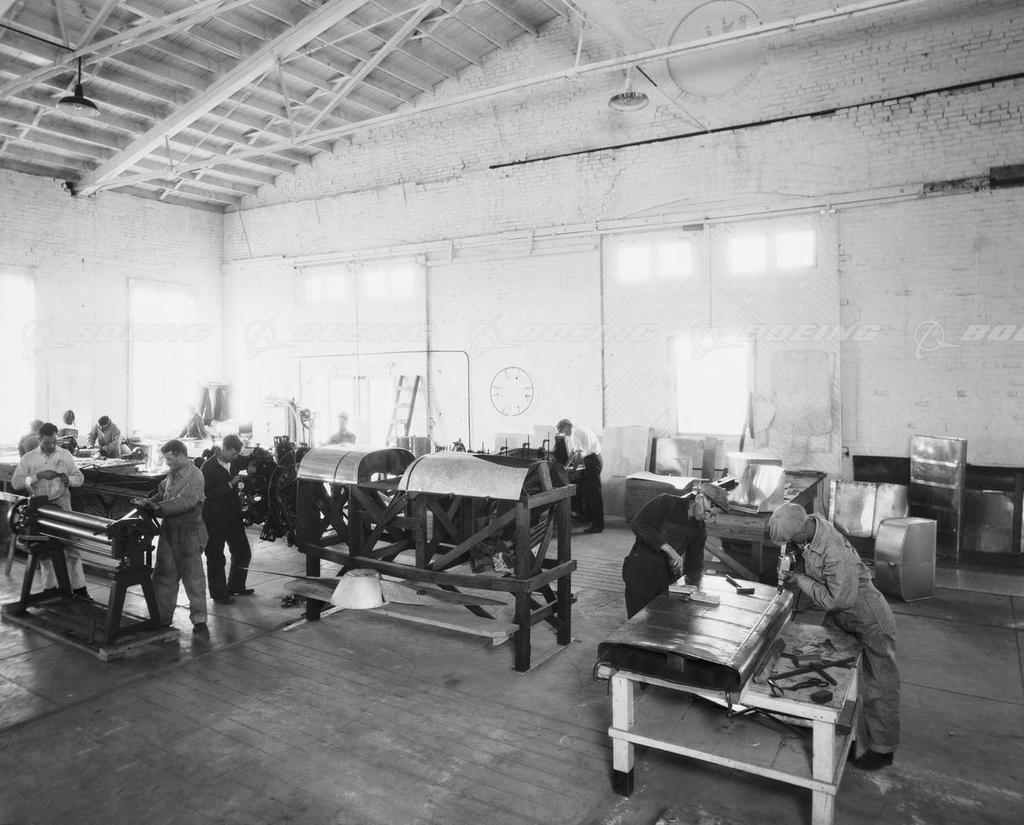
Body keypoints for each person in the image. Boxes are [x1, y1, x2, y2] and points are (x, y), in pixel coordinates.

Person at [768, 502, 900, 771]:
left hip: (868, 616)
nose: (791, 544)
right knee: (824, 665)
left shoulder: (834, 551)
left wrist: (802, 581)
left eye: (791, 540)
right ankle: (838, 731)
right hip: (843, 616)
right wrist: (796, 566)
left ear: (801, 530)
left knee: (880, 682)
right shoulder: (812, 526)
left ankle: (882, 748)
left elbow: (837, 599)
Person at [622, 483, 730, 618]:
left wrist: (692, 588)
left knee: (659, 622)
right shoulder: (666, 502)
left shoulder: (699, 529)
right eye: (707, 512)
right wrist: (670, 550)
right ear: (699, 498)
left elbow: (694, 566)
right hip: (640, 572)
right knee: (637, 622)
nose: (707, 518)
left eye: (712, 516)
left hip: (666, 580)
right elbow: (639, 524)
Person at [134, 439, 209, 633]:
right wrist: (148, 502)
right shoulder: (172, 474)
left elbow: (186, 501)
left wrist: (158, 507)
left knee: (193, 579)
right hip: (168, 532)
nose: (167, 463)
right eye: (166, 460)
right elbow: (162, 493)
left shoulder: (195, 475)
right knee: (163, 576)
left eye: (170, 459)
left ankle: (199, 620)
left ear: (182, 456)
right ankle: (162, 618)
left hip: (189, 534)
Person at [11, 422, 90, 599]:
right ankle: (50, 588)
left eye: (55, 442)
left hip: (62, 505)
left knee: (71, 548)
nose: (52, 445)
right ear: (39, 439)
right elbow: (17, 483)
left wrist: (68, 479)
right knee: (44, 550)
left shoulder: (64, 455)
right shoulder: (29, 458)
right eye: (47, 442)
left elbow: (80, 478)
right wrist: (38, 476)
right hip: (41, 509)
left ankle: (80, 589)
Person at [201, 434, 253, 604]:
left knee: (243, 551)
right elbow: (207, 494)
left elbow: (237, 484)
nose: (235, 457)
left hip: (233, 515)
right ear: (223, 448)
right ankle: (218, 594)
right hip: (214, 517)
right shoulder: (208, 468)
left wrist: (241, 491)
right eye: (232, 454)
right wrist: (231, 484)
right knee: (215, 556)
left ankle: (236, 586)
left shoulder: (234, 463)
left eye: (237, 454)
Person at [556, 418, 604, 533]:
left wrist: (573, 469)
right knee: (589, 492)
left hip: (592, 461)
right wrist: (566, 466)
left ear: (565, 426)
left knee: (594, 494)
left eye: (562, 431)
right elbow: (574, 452)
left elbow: (578, 455)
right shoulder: (579, 428)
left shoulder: (575, 433)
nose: (564, 435)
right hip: (596, 459)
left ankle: (598, 525)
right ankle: (589, 519)